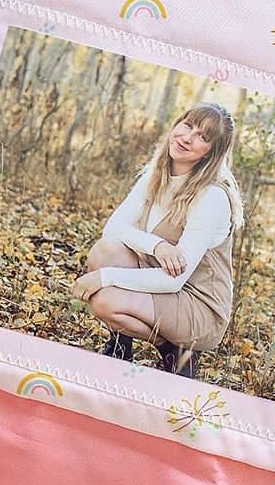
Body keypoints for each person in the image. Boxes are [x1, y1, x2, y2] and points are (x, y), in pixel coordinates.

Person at [72, 103, 245, 373]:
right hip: (159, 279)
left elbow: (174, 280)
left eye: (202, 136)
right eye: (187, 125)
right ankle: (120, 348)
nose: (187, 137)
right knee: (105, 251)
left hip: (196, 303)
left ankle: (173, 348)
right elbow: (113, 229)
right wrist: (158, 246)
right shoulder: (157, 175)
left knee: (104, 300)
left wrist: (105, 278)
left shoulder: (212, 197)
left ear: (212, 153)